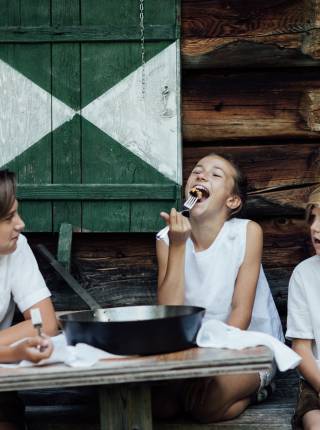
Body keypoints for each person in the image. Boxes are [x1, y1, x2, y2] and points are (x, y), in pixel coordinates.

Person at [154, 153, 284, 423]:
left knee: (204, 407)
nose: (201, 175)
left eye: (215, 175)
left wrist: (209, 364)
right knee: (161, 408)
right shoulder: (168, 239)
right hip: (190, 350)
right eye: (197, 171)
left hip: (246, 344)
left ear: (232, 201)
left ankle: (254, 392)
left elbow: (241, 313)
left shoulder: (247, 233)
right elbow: (171, 316)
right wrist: (178, 246)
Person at [0, 169, 57, 430]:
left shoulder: (16, 247)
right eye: (9, 217)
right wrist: (11, 350)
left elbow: (45, 322)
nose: (20, 223)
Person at [286, 186, 320, 430]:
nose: (315, 227)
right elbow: (301, 349)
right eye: (314, 218)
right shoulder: (304, 274)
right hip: (316, 381)